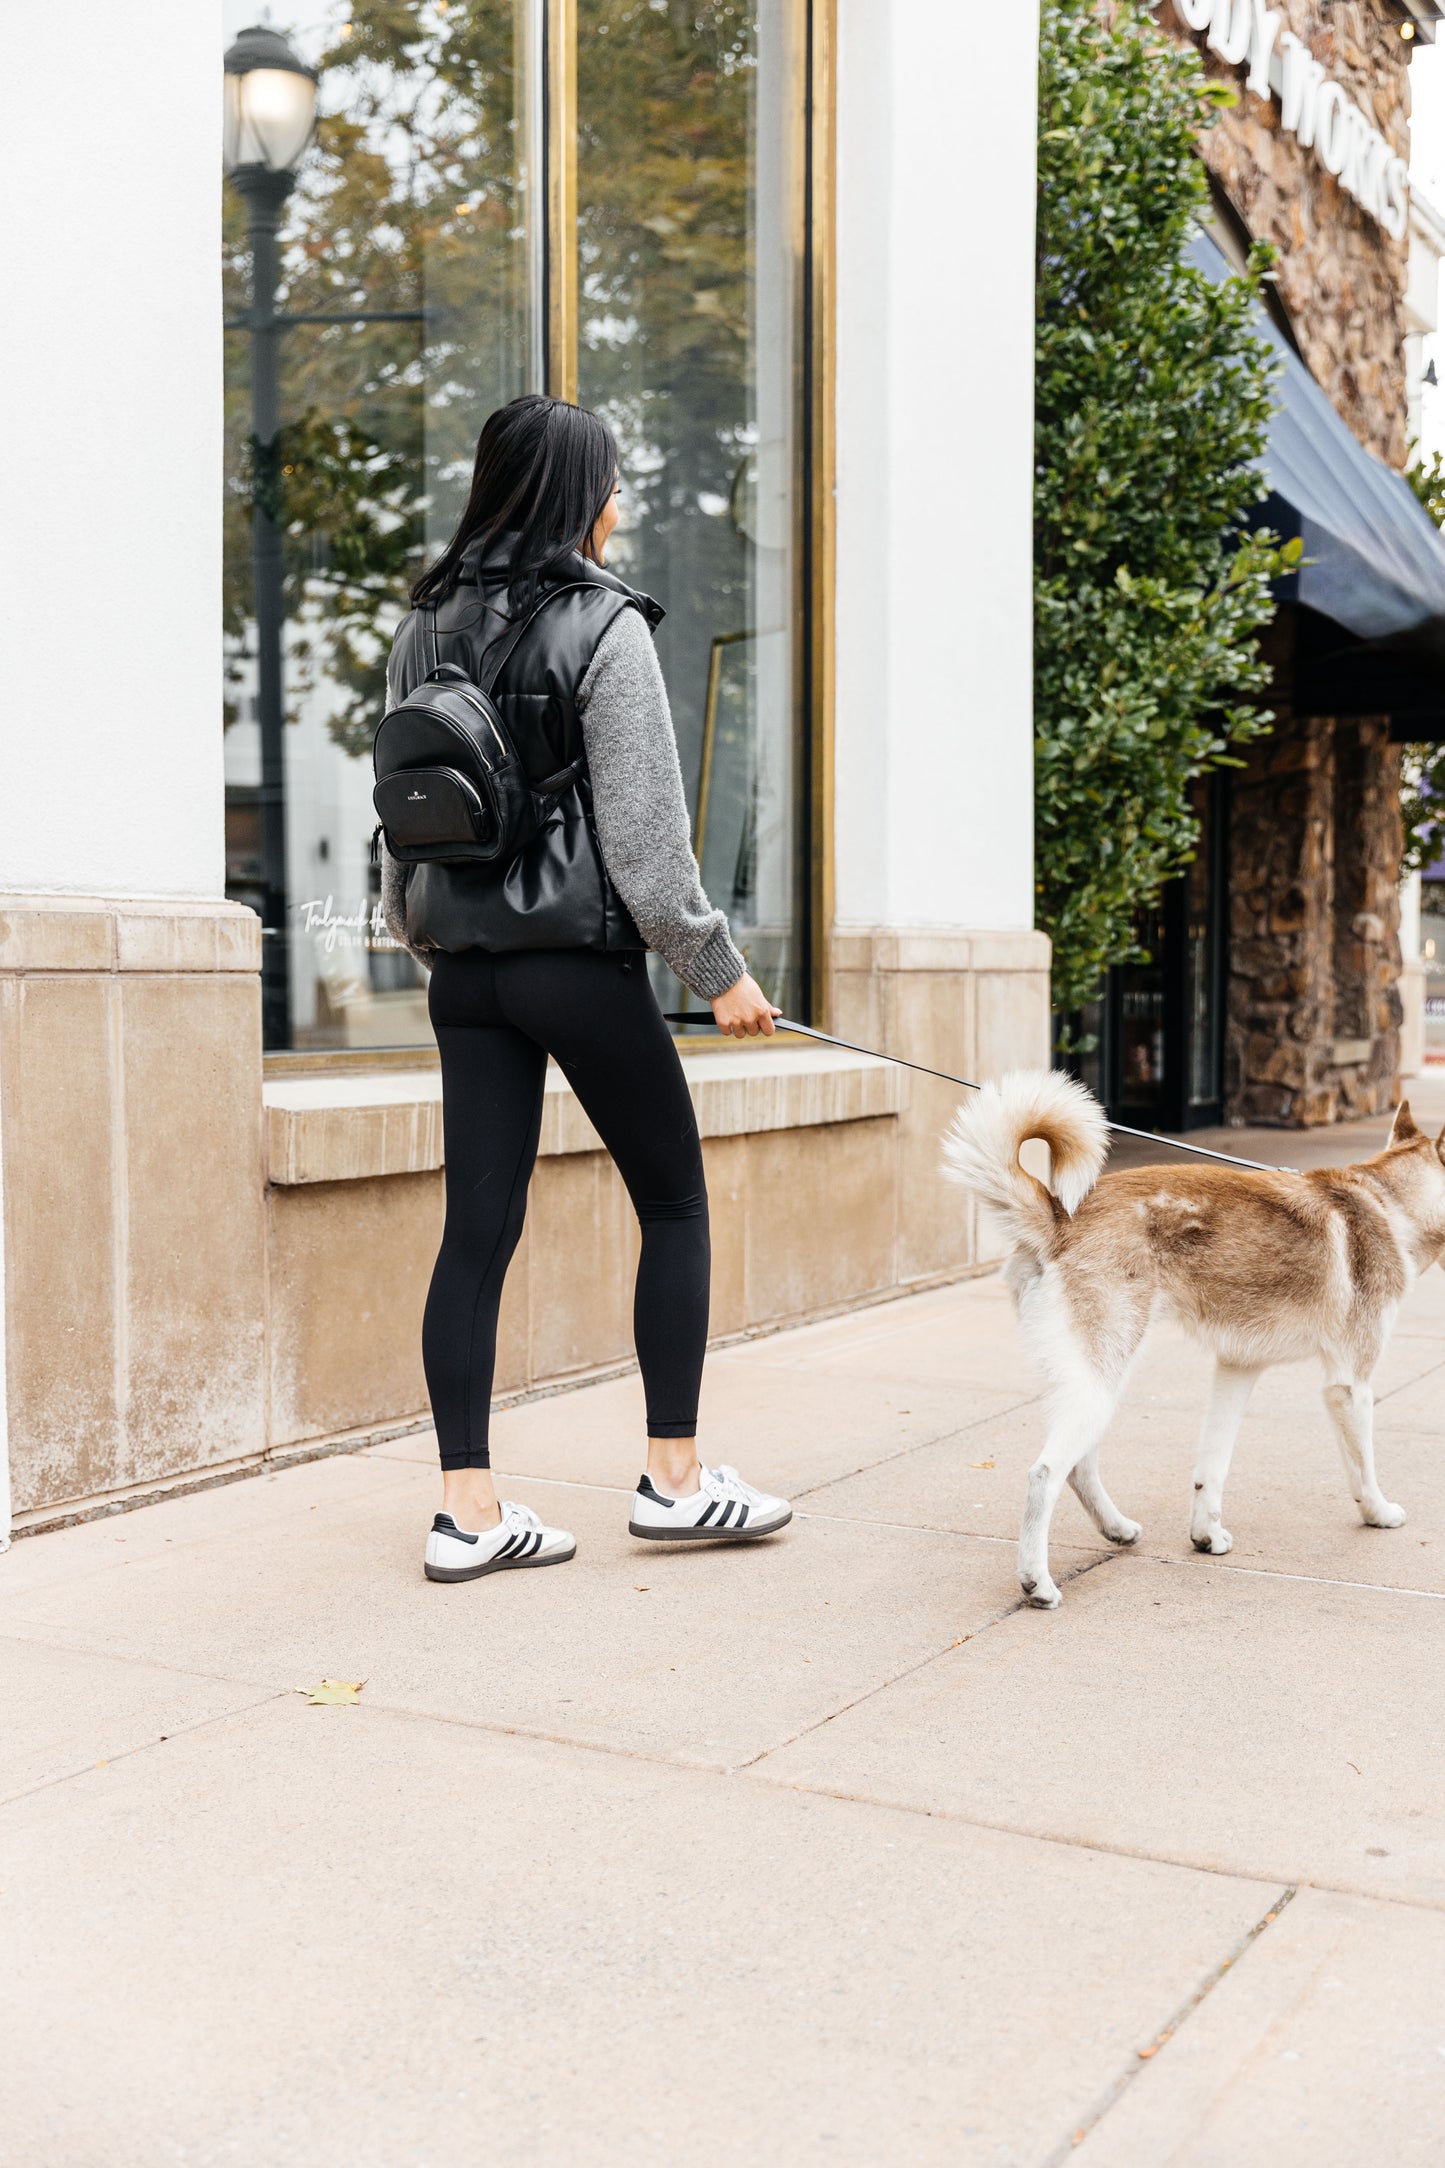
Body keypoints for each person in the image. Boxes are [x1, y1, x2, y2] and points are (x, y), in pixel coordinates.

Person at [380, 393, 794, 1584]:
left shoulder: (419, 627)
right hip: (577, 967)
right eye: (610, 481)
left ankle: (466, 1510)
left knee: (475, 1231)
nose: (618, 501)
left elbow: (401, 819)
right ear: (579, 497)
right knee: (671, 1202)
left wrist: (428, 937)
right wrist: (719, 974)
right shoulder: (603, 625)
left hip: (466, 976)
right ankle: (673, 1481)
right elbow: (649, 848)